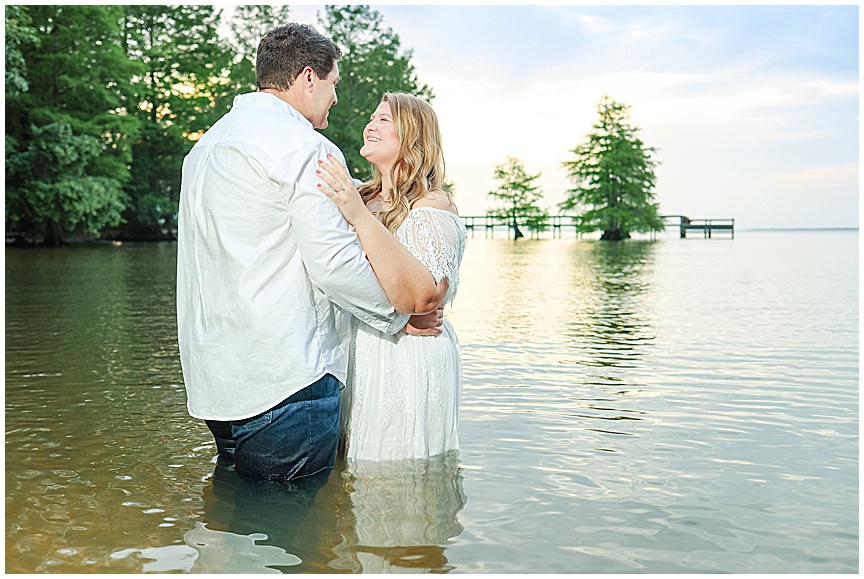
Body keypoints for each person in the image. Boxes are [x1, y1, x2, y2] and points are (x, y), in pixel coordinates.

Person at [176, 24, 443, 482]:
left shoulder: (205, 147)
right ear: (308, 78)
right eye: (334, 83)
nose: (335, 98)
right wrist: (402, 318)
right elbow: (335, 265)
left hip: (215, 376)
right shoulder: (306, 148)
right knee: (289, 533)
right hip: (286, 378)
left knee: (236, 522)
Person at [316, 92, 468, 462]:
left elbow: (425, 299)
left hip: (406, 359)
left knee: (396, 474)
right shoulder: (361, 195)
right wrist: (400, 321)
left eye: (384, 119)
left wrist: (359, 216)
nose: (371, 125)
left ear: (412, 135)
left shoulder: (431, 207)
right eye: (372, 117)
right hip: (361, 346)